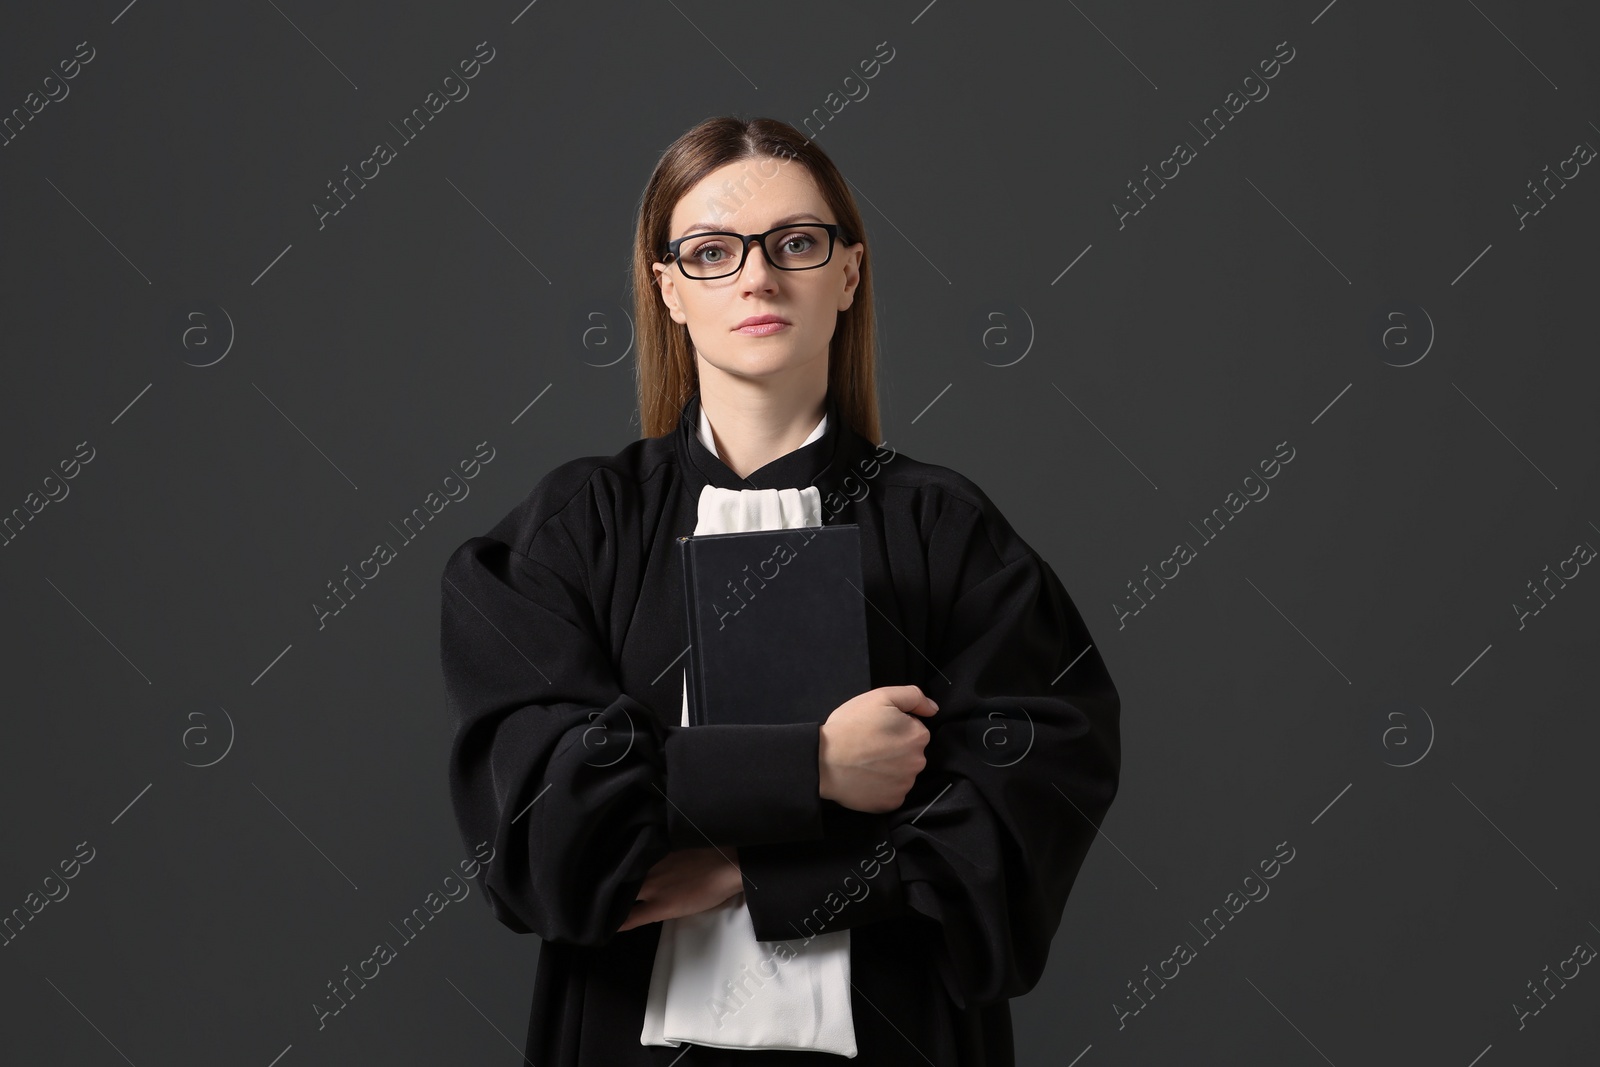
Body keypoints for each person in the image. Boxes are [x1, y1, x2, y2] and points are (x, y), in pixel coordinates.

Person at [438, 115, 1121, 1065]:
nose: (757, 276)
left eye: (797, 243)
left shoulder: (953, 537)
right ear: (666, 287)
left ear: (848, 273)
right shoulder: (570, 535)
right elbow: (544, 834)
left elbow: (1009, 836)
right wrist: (816, 769)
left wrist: (737, 870)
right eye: (713, 251)